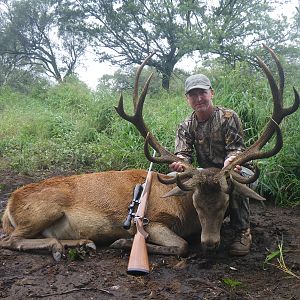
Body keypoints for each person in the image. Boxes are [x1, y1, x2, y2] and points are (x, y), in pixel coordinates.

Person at [169, 73, 253, 256]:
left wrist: (233, 160)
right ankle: (188, 223)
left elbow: (236, 149)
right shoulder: (185, 125)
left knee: (236, 181)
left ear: (211, 93)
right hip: (205, 175)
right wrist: (180, 164)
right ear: (187, 99)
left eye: (203, 93)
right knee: (171, 178)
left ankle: (242, 231)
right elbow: (183, 154)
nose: (199, 99)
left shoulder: (228, 117)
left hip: (233, 169)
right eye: (193, 95)